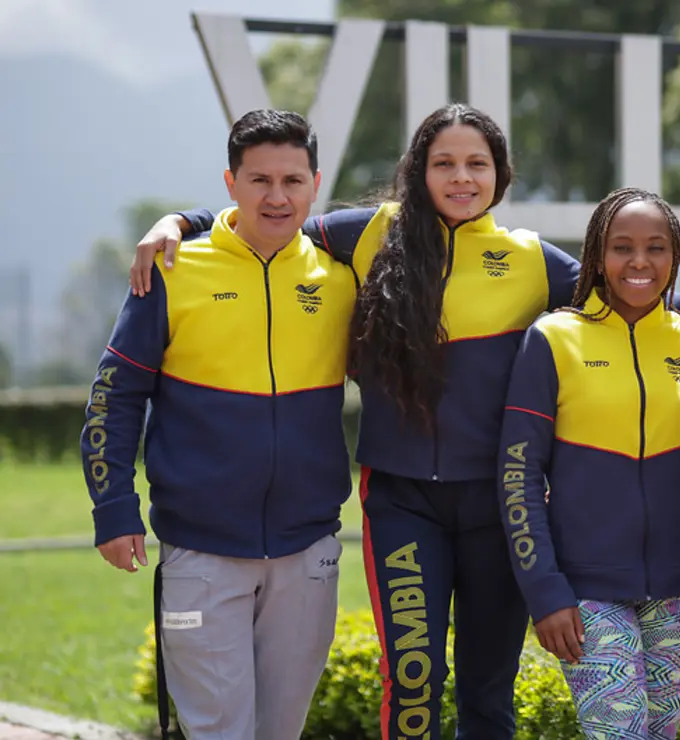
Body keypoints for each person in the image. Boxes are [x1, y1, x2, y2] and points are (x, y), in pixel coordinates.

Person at [128, 103, 586, 740]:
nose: (461, 177)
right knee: (415, 678)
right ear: (417, 171)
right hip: (403, 502)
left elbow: (632, 287)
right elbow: (265, 224)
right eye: (443, 163)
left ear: (500, 175)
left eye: (476, 164)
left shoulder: (535, 260)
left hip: (498, 507)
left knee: (488, 685)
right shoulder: (369, 233)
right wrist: (180, 222)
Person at [81, 109, 356, 740]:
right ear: (229, 183)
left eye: (293, 180)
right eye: (259, 180)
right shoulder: (173, 271)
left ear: (316, 182)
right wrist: (113, 507)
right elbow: (113, 395)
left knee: (279, 732)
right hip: (201, 552)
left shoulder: (342, 279)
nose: (277, 196)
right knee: (216, 731)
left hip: (308, 549)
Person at [498, 188, 680, 739]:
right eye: (622, 247)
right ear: (596, 255)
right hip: (585, 590)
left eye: (656, 248)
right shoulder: (552, 338)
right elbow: (518, 476)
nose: (639, 262)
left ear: (675, 256)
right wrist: (545, 591)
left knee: (660, 734)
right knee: (617, 733)